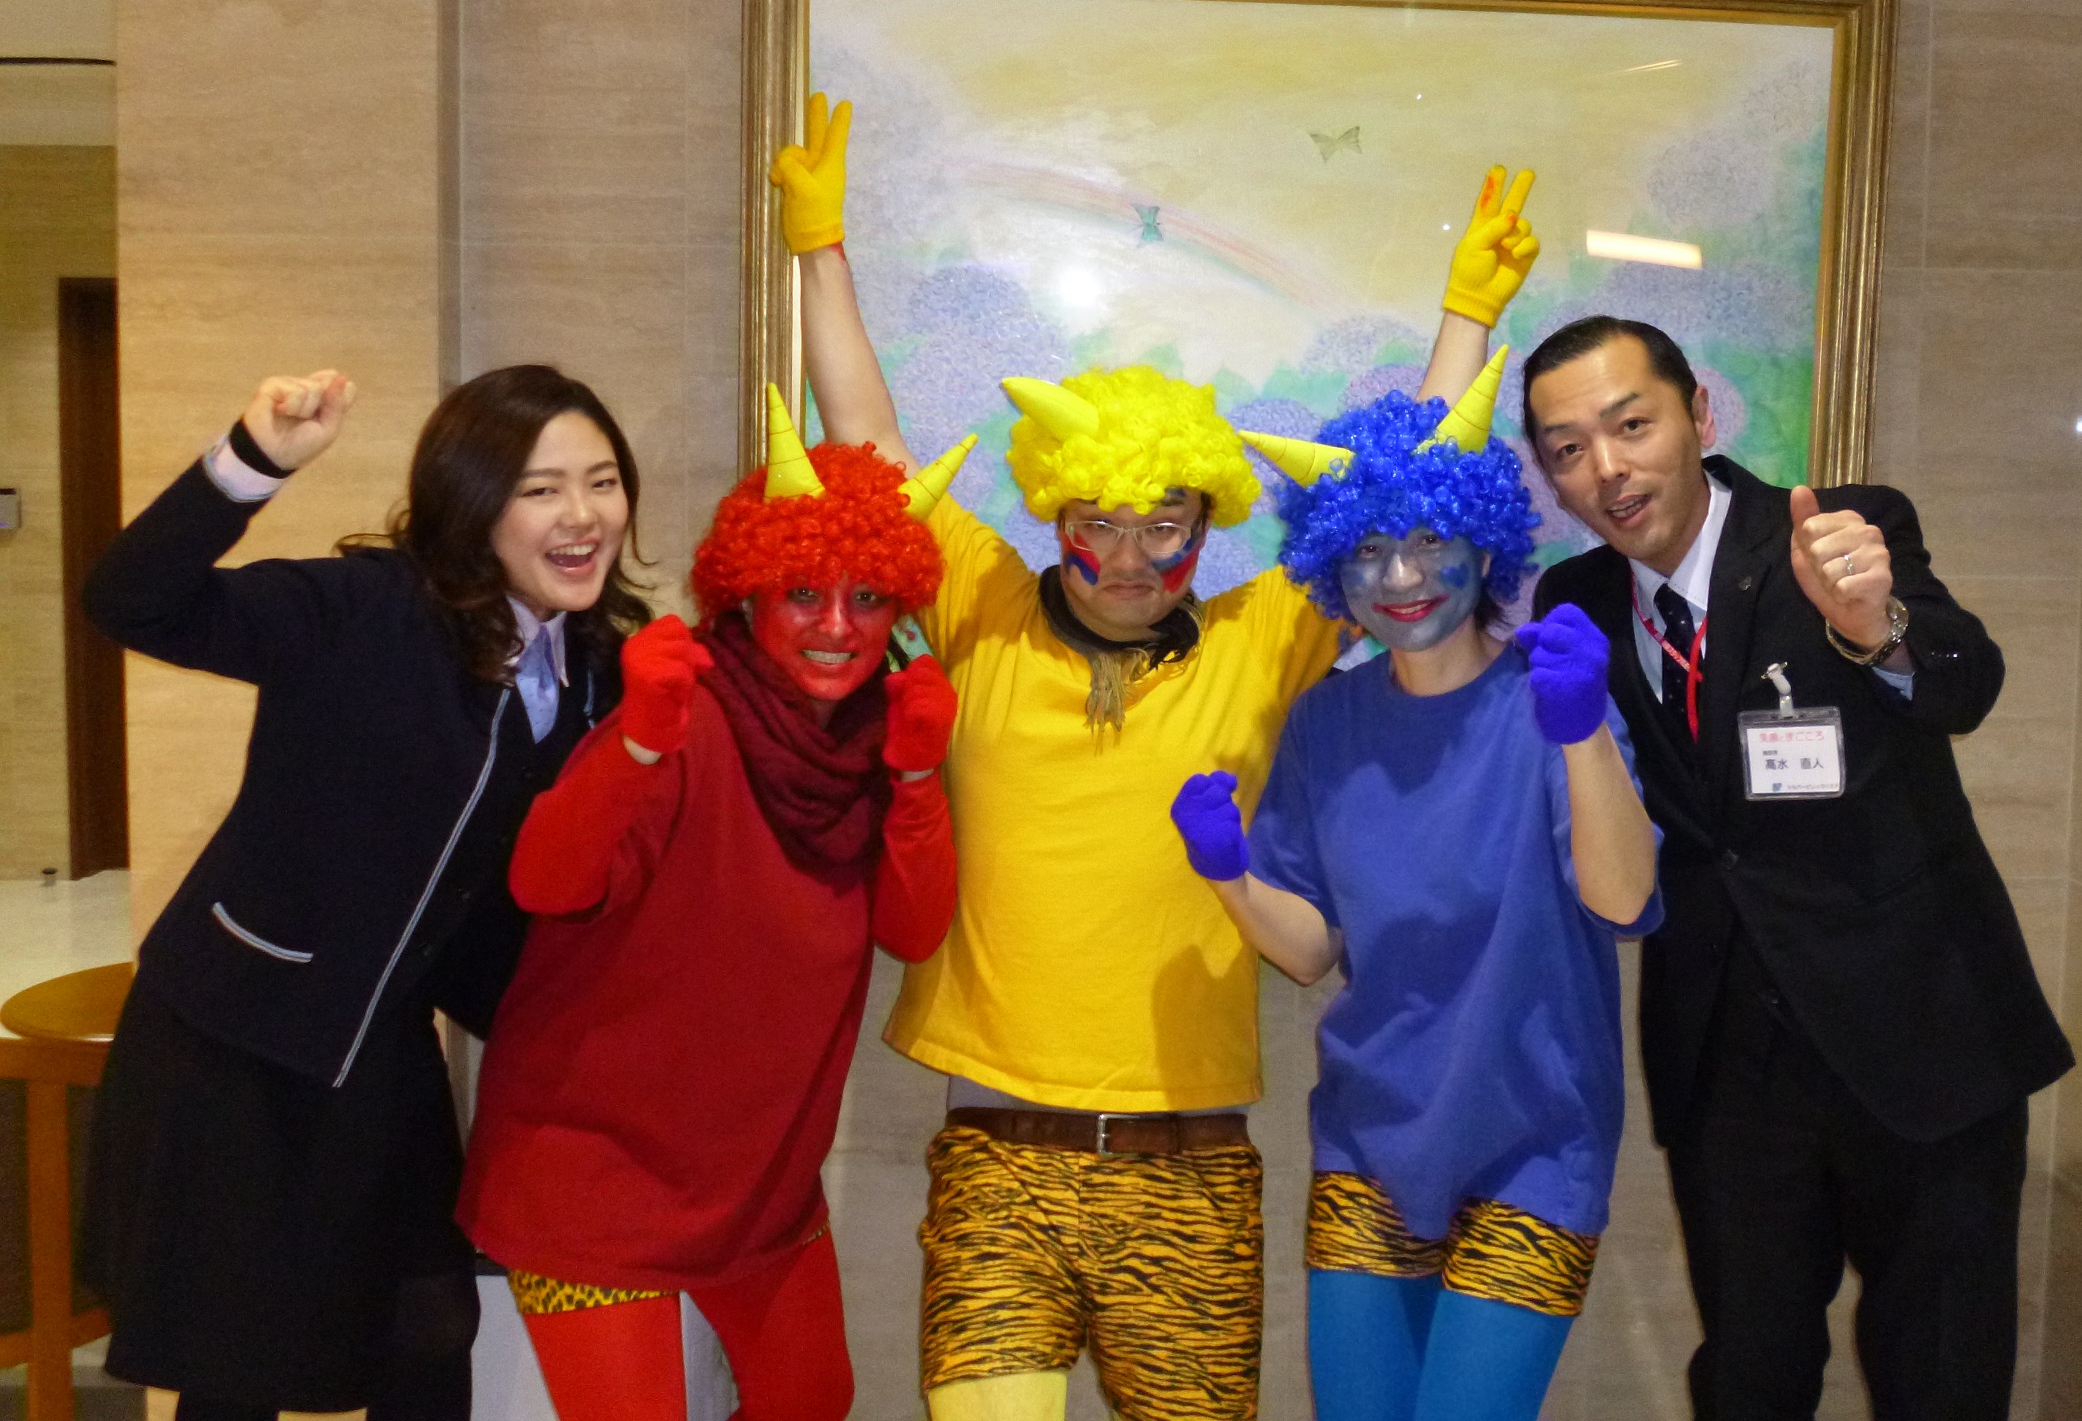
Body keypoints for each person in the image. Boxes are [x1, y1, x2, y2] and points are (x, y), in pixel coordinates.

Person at [781, 90, 1540, 1421]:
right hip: (998, 1158)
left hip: (1190, 1167)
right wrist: (820, 251)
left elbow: (1397, 496)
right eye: (1099, 522)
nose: (1129, 557)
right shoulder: (982, 611)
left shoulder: (1261, 638)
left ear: (1208, 523)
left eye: (1165, 524)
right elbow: (870, 450)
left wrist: (1466, 316)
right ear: (1054, 513)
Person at [1520, 315, 2073, 1421]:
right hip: (1729, 1056)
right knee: (1748, 1374)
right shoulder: (1574, 601)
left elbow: (1964, 681)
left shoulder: (1835, 535)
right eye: (1569, 449)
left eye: (1632, 425)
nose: (1607, 469)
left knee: (1942, 1375)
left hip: (1923, 1031)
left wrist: (1879, 629)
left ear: (1699, 415)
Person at [81, 364, 647, 1421]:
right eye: (540, 489)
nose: (583, 515)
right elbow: (129, 599)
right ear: (472, 505)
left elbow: (513, 889)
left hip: (380, 1048)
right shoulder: (361, 609)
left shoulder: (601, 672)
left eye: (602, 481)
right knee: (235, 1362)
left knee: (430, 1324)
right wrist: (250, 462)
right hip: (236, 1040)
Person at [456, 387, 969, 1421]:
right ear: (746, 593)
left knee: (813, 1399)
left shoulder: (869, 742)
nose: (837, 627)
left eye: (870, 598)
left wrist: (918, 779)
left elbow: (914, 934)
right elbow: (546, 882)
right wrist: (640, 741)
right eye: (803, 593)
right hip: (589, 1186)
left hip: (759, 1187)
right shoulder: (683, 715)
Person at [1169, 373, 1662, 1421]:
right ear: (1331, 567)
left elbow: (1622, 902)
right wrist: (1228, 873)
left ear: (1484, 546)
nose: (1399, 576)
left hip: (1538, 1142)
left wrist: (1581, 731)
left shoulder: (1549, 693)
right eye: (1366, 549)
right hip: (1370, 1140)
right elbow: (1310, 949)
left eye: (1430, 539)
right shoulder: (1326, 722)